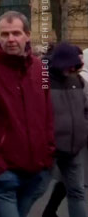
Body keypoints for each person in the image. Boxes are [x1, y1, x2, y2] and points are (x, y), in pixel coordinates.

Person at [0, 11, 54, 217]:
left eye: (16, 33)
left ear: (27, 35)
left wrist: (48, 157)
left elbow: (48, 114)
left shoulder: (40, 68)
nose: (11, 39)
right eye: (5, 34)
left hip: (37, 171)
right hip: (1, 173)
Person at [41, 43, 88, 217]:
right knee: (35, 189)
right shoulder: (42, 81)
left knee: (77, 192)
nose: (72, 69)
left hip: (74, 149)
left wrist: (83, 132)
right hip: (50, 149)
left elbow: (85, 109)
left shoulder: (77, 81)